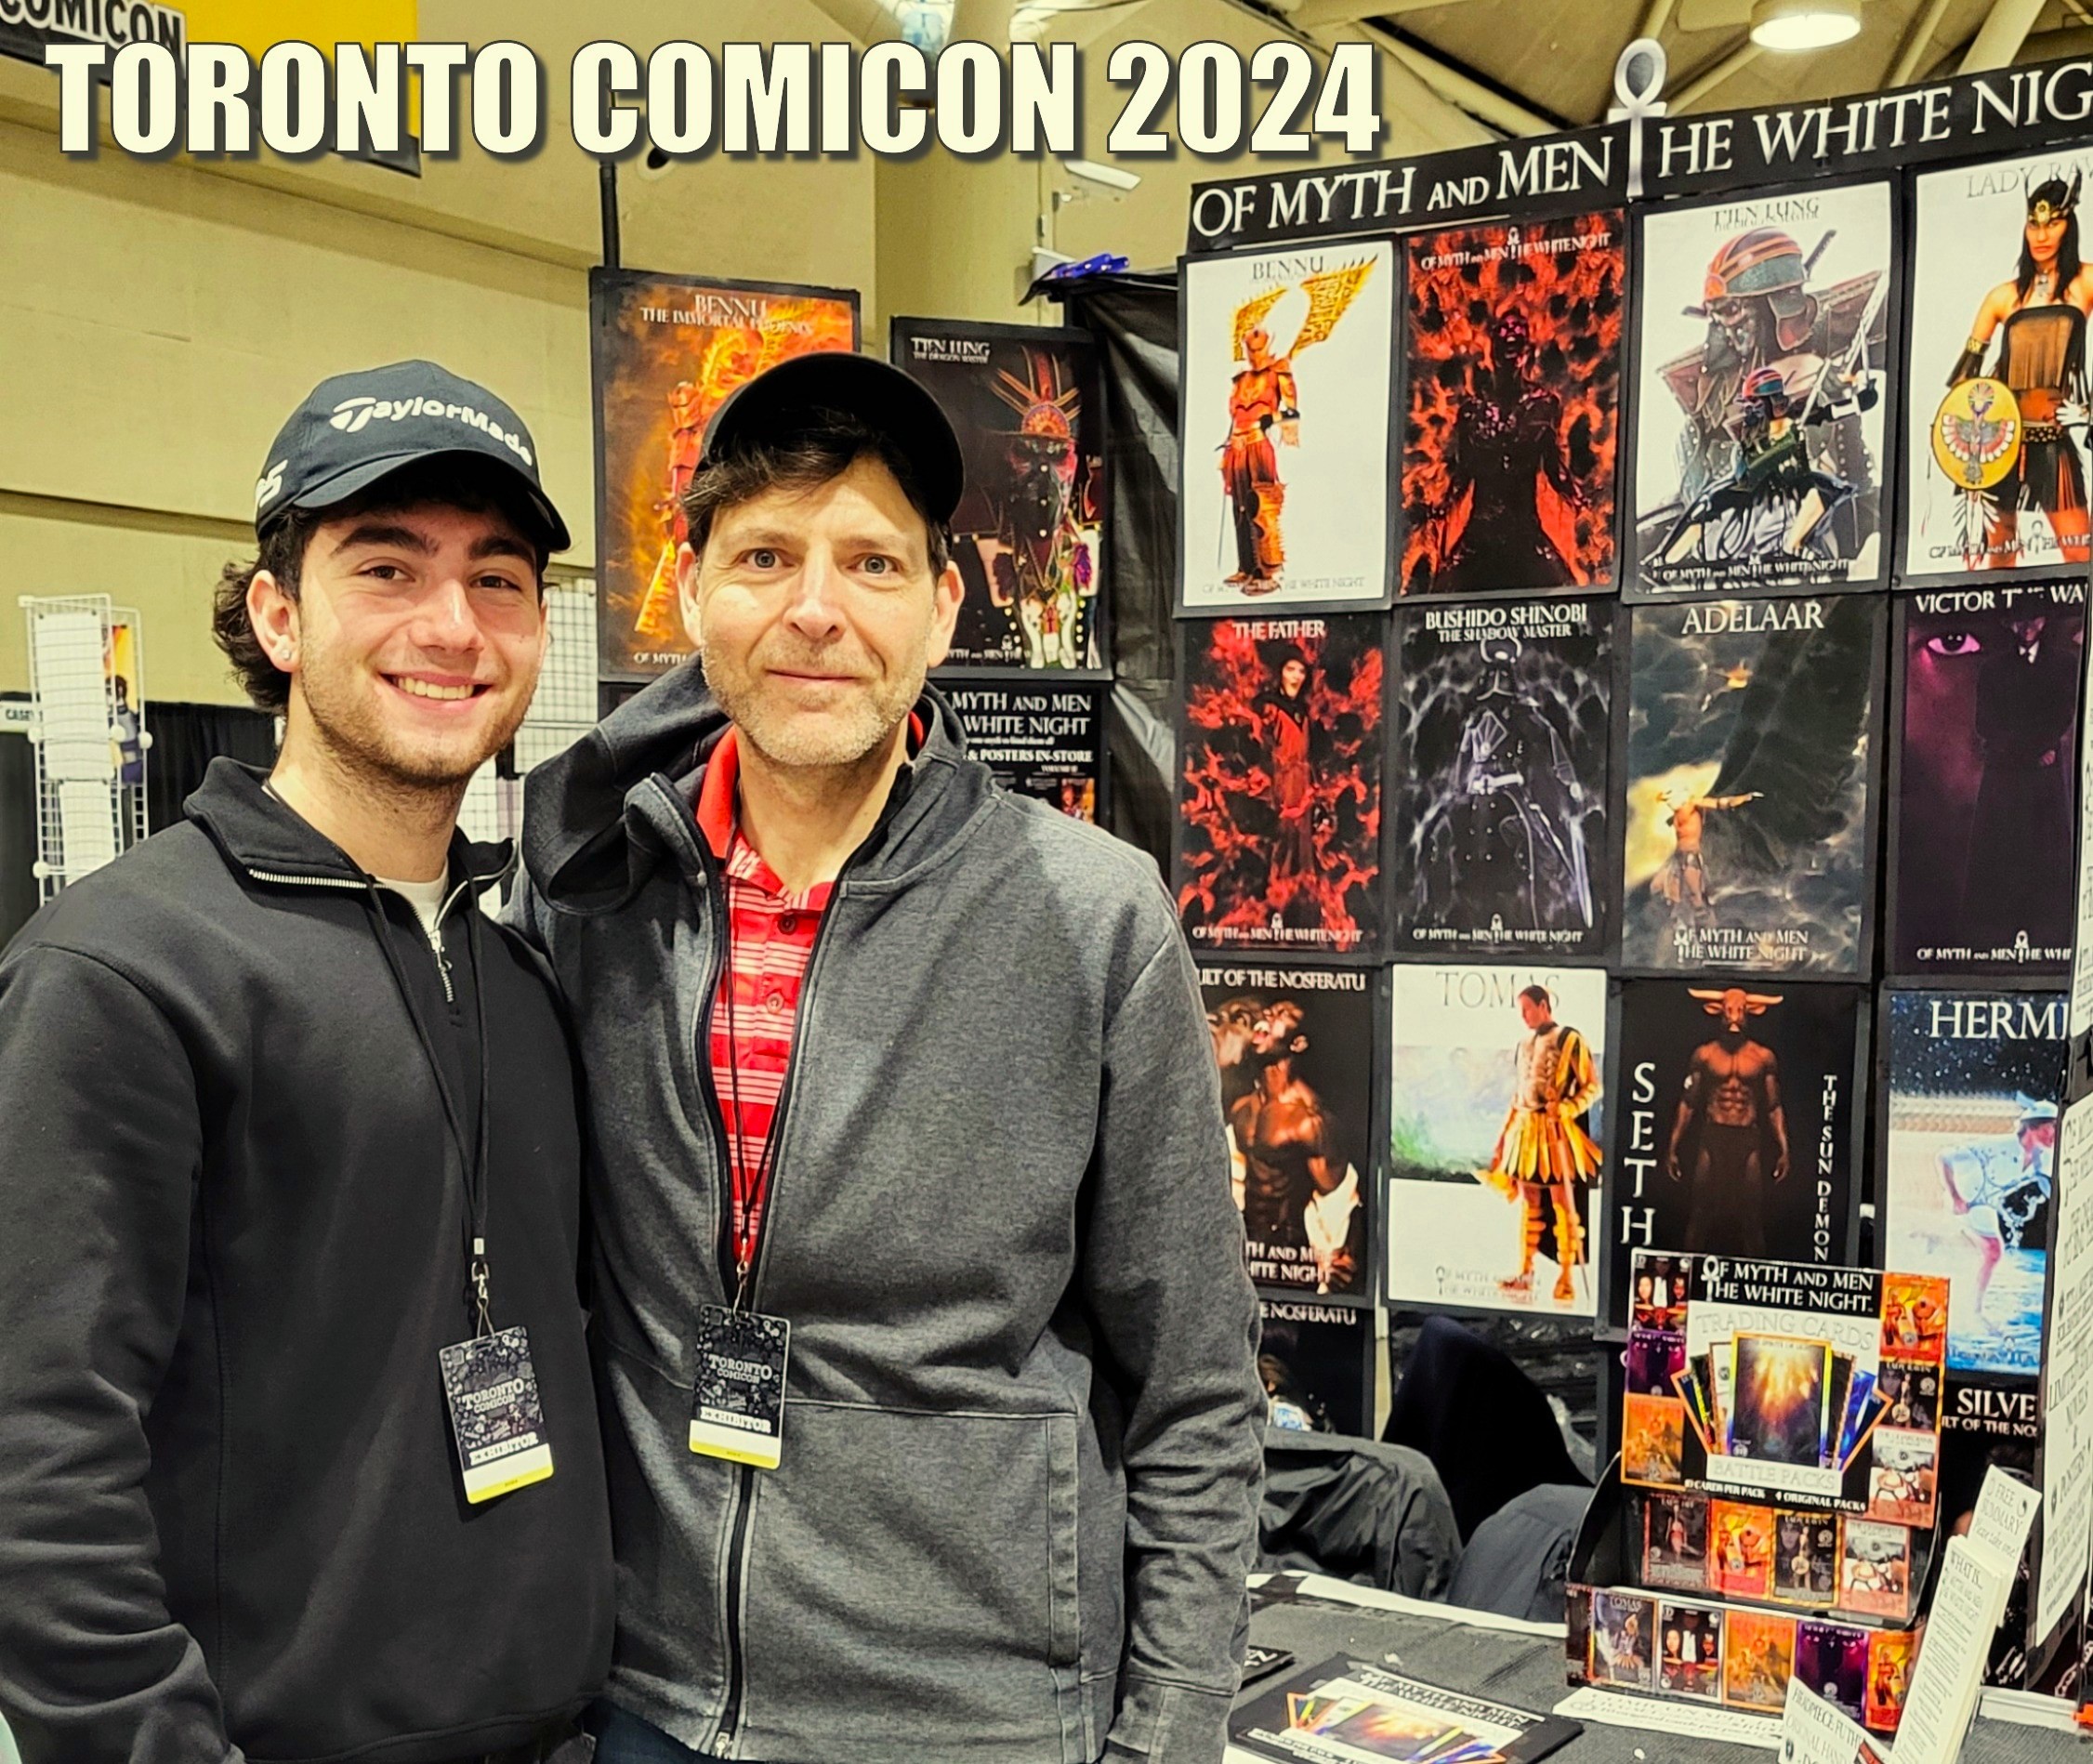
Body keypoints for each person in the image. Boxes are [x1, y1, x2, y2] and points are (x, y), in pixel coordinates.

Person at [507, 352, 1263, 1764]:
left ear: (945, 607)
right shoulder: (592, 900)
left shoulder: (1092, 915)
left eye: (871, 561)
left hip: (971, 1715)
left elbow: (1199, 1389)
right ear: (689, 596)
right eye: (767, 555)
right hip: (650, 1699)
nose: (815, 610)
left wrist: (1168, 1733)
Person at [0, 362, 613, 1763]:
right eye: (386, 567)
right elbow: (37, 1458)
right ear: (277, 614)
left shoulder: (520, 964)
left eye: (499, 578)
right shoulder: (124, 973)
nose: (451, 626)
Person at [1949, 174, 2093, 568]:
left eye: (2053, 223)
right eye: (2034, 224)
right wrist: (1968, 451)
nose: (2042, 235)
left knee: (2080, 550)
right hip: (1999, 440)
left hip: (2052, 435)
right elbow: (1964, 381)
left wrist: (2086, 411)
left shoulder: (2087, 281)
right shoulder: (2003, 295)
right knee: (1998, 552)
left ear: (2070, 225)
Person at [1480, 982, 1602, 1304]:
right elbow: (1519, 1093)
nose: (1523, 1017)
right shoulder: (1522, 1044)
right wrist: (1504, 1137)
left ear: (1543, 1005)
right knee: (1529, 1204)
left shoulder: (1570, 1038)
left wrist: (1567, 1107)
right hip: (1525, 1130)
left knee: (1564, 1204)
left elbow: (1592, 1086)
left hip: (1555, 1131)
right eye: (1520, 1011)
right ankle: (1525, 1272)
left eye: (1527, 1009)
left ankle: (1565, 1278)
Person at [1666, 987, 1791, 1257]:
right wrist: (1673, 1146)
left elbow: (1773, 1106)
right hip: (1713, 1137)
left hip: (1748, 1139)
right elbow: (1688, 1102)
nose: (1734, 1017)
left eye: (1741, 1011)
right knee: (1699, 1213)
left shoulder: (1762, 1057)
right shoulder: (1705, 1055)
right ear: (1718, 1013)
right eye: (1729, 1011)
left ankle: (1753, 1284)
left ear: (1750, 1014)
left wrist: (1784, 1148)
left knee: (1751, 1217)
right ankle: (1687, 1284)